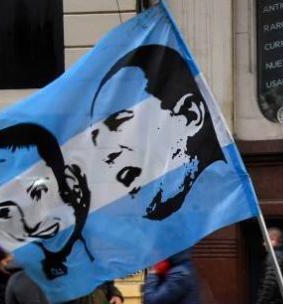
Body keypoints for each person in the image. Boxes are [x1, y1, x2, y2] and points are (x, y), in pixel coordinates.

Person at [89, 44, 225, 221]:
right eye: (96, 137)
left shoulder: (226, 198)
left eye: (118, 121)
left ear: (189, 115)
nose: (105, 153)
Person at [0, 123, 93, 280]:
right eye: (6, 213)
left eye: (37, 192)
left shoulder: (94, 262)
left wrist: (111, 292)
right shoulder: (15, 275)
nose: (30, 225)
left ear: (72, 183)